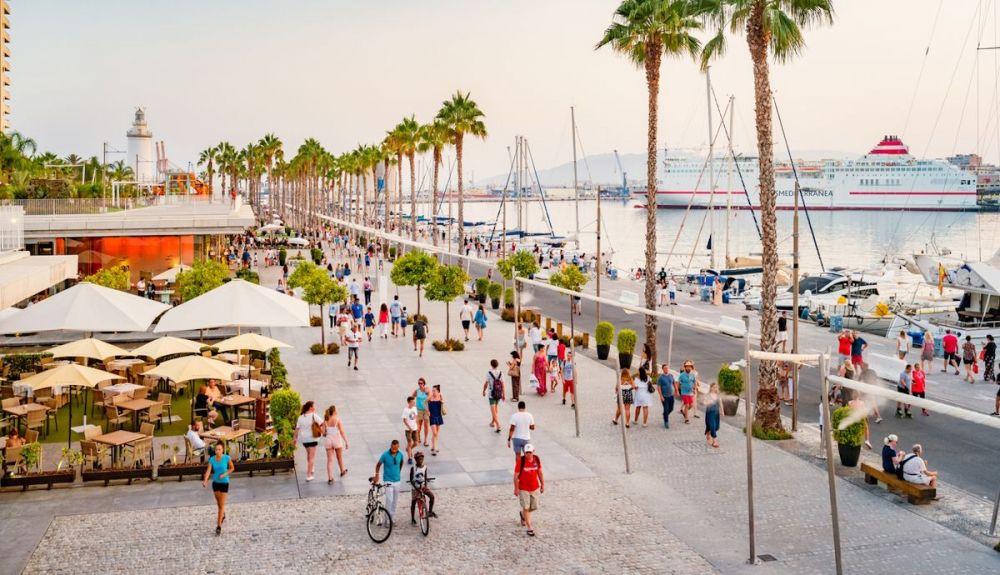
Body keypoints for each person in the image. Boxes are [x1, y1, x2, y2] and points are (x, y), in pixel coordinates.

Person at [202, 442, 234, 536]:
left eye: (219, 449)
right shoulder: (212, 459)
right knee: (219, 504)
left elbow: (232, 468)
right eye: (216, 449)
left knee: (221, 505)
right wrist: (205, 480)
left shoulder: (227, 458)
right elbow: (208, 471)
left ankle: (219, 526)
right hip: (215, 483)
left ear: (222, 450)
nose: (217, 451)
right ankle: (222, 515)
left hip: (224, 483)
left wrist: (224, 474)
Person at [514, 444, 544, 537]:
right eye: (526, 452)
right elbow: (516, 476)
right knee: (526, 507)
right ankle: (529, 527)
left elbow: (539, 471)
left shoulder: (536, 459)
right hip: (523, 488)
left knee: (534, 506)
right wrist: (516, 488)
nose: (528, 454)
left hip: (534, 487)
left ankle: (523, 514)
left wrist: (542, 484)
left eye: (530, 452)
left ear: (533, 451)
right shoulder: (521, 461)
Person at [373, 440, 405, 518]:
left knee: (395, 501)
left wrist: (398, 472)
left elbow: (401, 463)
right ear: (390, 446)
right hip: (388, 480)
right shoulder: (385, 455)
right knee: (389, 500)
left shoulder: (400, 454)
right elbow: (378, 465)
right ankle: (387, 520)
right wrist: (377, 475)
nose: (393, 450)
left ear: (398, 447)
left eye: (395, 449)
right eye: (392, 448)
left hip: (397, 480)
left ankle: (392, 518)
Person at [294, 401, 323, 481]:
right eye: (314, 406)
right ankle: (309, 475)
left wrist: (295, 439)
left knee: (309, 454)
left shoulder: (300, 417)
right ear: (311, 407)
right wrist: (322, 431)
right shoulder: (314, 416)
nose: (315, 407)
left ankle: (311, 467)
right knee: (312, 457)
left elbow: (297, 429)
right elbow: (322, 423)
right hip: (313, 438)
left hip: (304, 439)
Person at [408, 451, 436, 525]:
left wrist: (425, 486)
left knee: (432, 496)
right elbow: (411, 480)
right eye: (419, 459)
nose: (420, 461)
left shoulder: (425, 467)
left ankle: (430, 512)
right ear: (416, 460)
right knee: (413, 502)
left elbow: (425, 477)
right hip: (415, 488)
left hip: (422, 486)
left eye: (421, 459)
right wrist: (417, 489)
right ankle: (413, 518)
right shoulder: (413, 468)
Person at [323, 404, 348, 484]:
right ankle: (342, 470)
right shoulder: (337, 420)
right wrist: (346, 441)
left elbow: (323, 433)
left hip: (328, 440)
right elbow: (342, 432)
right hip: (337, 440)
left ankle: (330, 478)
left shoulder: (325, 421)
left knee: (329, 460)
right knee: (339, 457)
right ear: (334, 411)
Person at [483, 359, 505, 433]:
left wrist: (483, 391)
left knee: (493, 410)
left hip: (491, 394)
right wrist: (503, 394)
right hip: (498, 393)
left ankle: (498, 425)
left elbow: (486, 383)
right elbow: (503, 384)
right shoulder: (501, 373)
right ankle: (492, 422)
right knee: (495, 408)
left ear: (491, 365)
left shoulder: (489, 373)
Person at [656, 363, 676, 429]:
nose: (666, 369)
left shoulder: (671, 375)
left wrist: (677, 391)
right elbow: (658, 387)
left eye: (667, 368)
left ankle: (665, 414)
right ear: (663, 369)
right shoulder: (660, 378)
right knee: (666, 409)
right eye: (665, 368)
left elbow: (674, 383)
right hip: (664, 396)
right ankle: (666, 422)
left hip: (671, 395)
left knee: (671, 408)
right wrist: (661, 396)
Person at [412, 378, 431, 447]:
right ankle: (418, 436)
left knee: (426, 426)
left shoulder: (427, 391)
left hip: (426, 410)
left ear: (424, 384)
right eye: (419, 383)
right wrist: (413, 406)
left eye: (421, 383)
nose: (420, 385)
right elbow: (412, 397)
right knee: (418, 426)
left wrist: (428, 392)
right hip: (419, 410)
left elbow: (430, 397)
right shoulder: (417, 391)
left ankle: (425, 440)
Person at [427, 384, 444, 456]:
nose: (433, 392)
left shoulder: (440, 395)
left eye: (434, 391)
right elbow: (425, 403)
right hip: (432, 416)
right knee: (434, 432)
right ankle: (434, 448)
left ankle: (434, 445)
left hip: (438, 415)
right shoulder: (430, 397)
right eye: (432, 390)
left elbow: (443, 401)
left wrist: (443, 402)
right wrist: (427, 410)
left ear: (438, 391)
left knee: (436, 433)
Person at [703, 382, 721, 448]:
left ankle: (708, 432)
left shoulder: (718, 395)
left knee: (717, 427)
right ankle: (715, 441)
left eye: (716, 387)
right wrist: (709, 402)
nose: (715, 388)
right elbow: (704, 403)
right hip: (710, 413)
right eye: (713, 387)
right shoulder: (707, 395)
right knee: (713, 426)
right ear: (710, 388)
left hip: (716, 413)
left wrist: (722, 411)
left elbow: (720, 402)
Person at [402, 396, 419, 464]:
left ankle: (408, 449)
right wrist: (409, 428)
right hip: (408, 430)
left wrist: (417, 425)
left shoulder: (414, 408)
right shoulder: (406, 410)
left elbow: (416, 416)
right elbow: (404, 420)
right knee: (409, 443)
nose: (414, 403)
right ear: (409, 402)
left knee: (416, 443)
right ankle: (410, 458)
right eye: (412, 402)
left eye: (414, 402)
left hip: (415, 428)